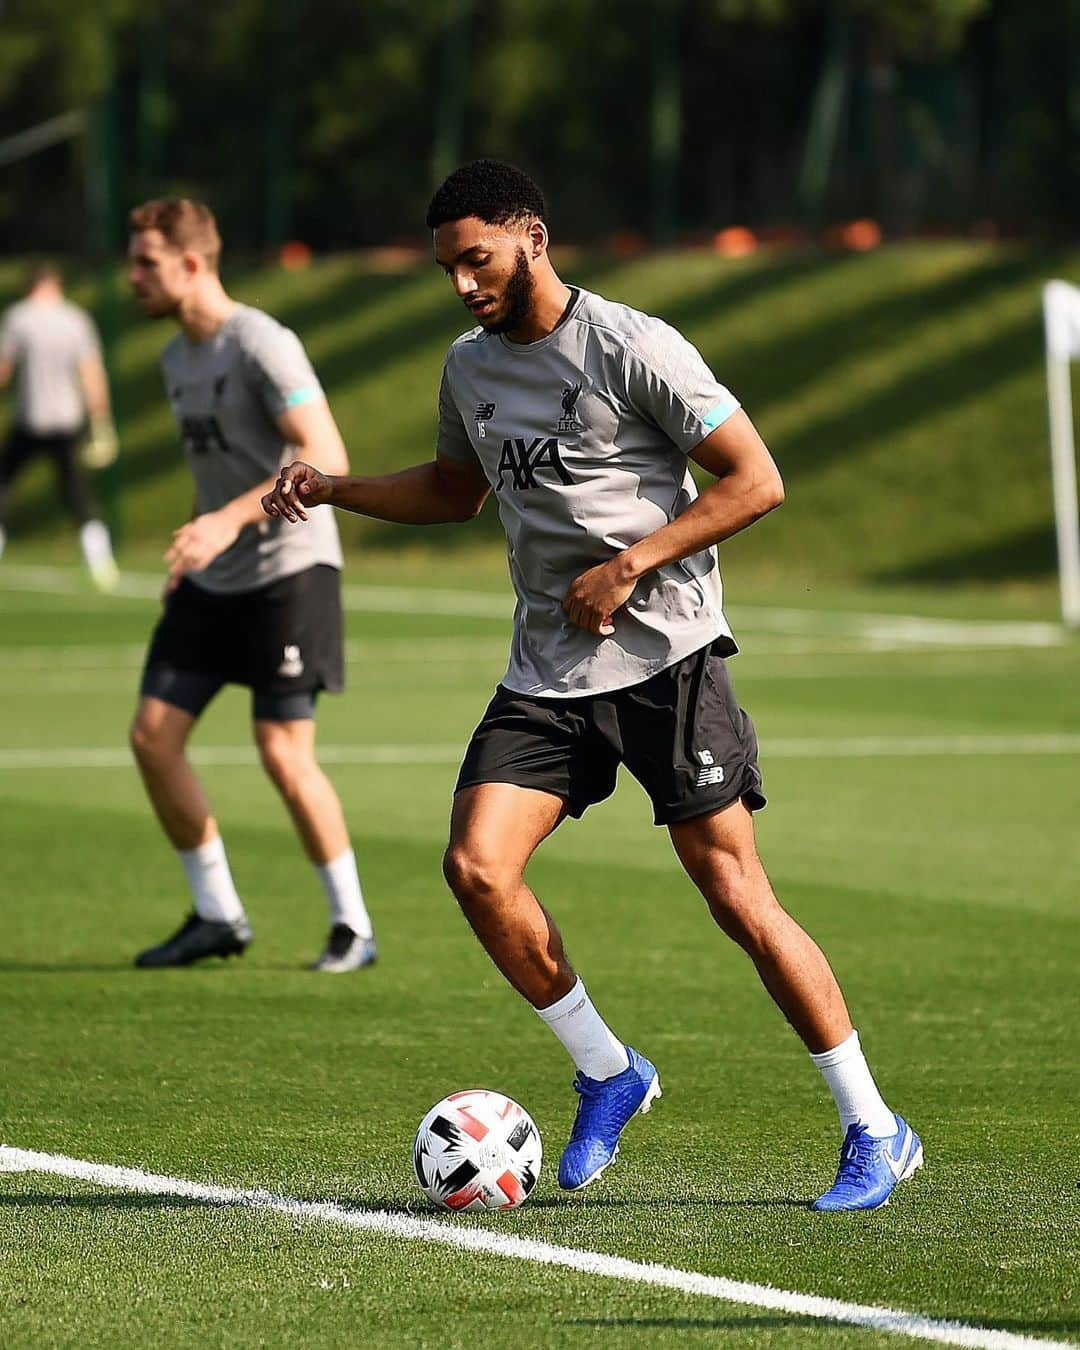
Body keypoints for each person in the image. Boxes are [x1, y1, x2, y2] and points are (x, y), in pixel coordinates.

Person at [263, 160, 921, 1210]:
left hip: (666, 658)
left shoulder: (631, 346)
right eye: (448, 268)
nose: (463, 284)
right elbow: (451, 489)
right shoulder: (470, 367)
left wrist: (632, 562)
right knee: (477, 870)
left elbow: (757, 480)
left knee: (736, 896)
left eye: (476, 258)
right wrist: (334, 487)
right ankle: (611, 1072)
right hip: (547, 669)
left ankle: (874, 1128)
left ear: (532, 234)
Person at [127, 197, 376, 973]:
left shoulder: (263, 345)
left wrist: (226, 524)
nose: (132, 276)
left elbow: (322, 450)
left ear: (193, 264)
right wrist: (201, 540)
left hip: (289, 571)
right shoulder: (176, 358)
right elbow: (222, 473)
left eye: (147, 263)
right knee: (152, 738)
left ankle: (352, 928)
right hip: (218, 571)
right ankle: (218, 915)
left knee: (282, 752)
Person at [0, 262, 119, 590]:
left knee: (3, 484)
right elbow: (92, 373)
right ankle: (100, 560)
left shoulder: (18, 317)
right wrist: (101, 420)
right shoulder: (75, 318)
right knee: (77, 493)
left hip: (30, 418)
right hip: (67, 421)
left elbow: (3, 370)